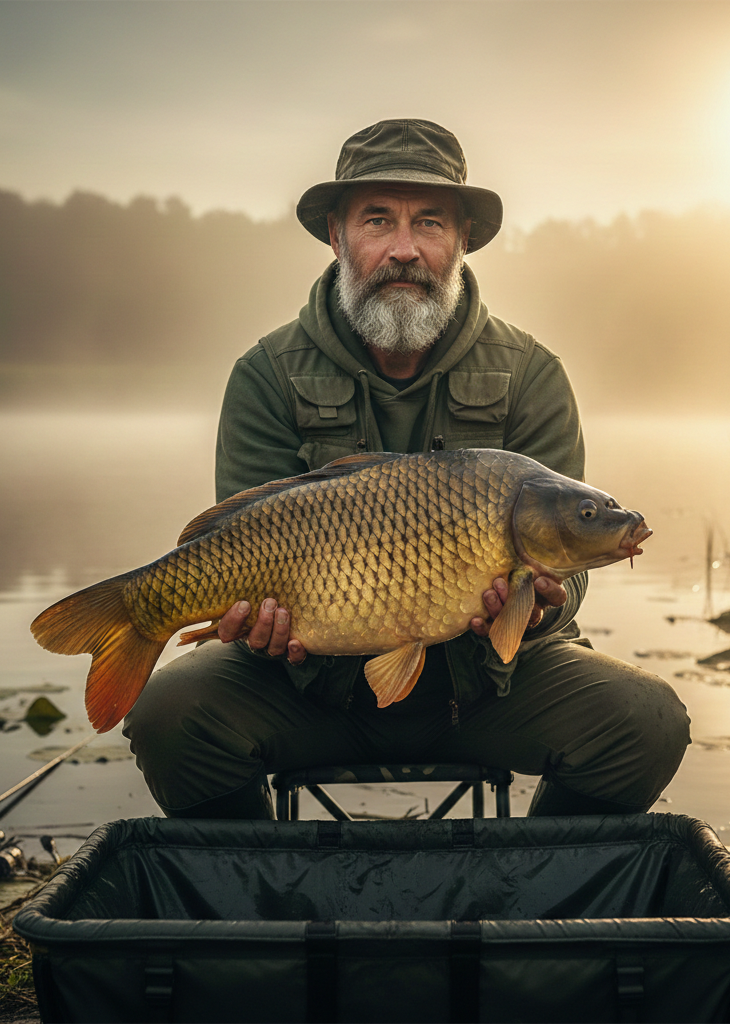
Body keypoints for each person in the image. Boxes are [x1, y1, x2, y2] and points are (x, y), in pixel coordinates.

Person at [123, 119, 690, 819]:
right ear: (337, 235)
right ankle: (268, 898)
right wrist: (260, 632)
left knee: (647, 720)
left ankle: (526, 899)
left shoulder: (531, 373)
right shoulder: (267, 374)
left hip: (488, 691)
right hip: (306, 692)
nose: (404, 249)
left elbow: (566, 572)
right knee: (170, 715)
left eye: (429, 222)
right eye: (377, 220)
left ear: (461, 241)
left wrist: (541, 607)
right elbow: (238, 543)